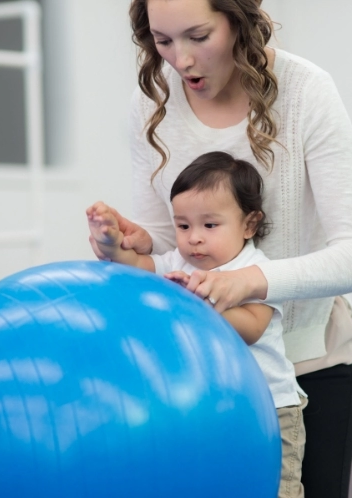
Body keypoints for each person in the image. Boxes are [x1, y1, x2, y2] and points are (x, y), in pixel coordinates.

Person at [92, 0, 352, 496]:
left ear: (239, 22)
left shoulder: (306, 91)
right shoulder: (151, 105)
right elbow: (176, 242)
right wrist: (130, 244)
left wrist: (245, 283)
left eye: (198, 37)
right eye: (162, 41)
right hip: (197, 370)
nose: (180, 61)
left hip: (308, 366)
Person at [87, 151, 308, 498]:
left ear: (249, 225)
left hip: (268, 409)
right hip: (208, 406)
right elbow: (136, 267)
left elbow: (251, 328)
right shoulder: (179, 261)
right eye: (183, 225)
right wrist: (112, 245)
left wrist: (203, 302)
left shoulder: (255, 269)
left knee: (274, 489)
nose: (194, 238)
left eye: (210, 225)